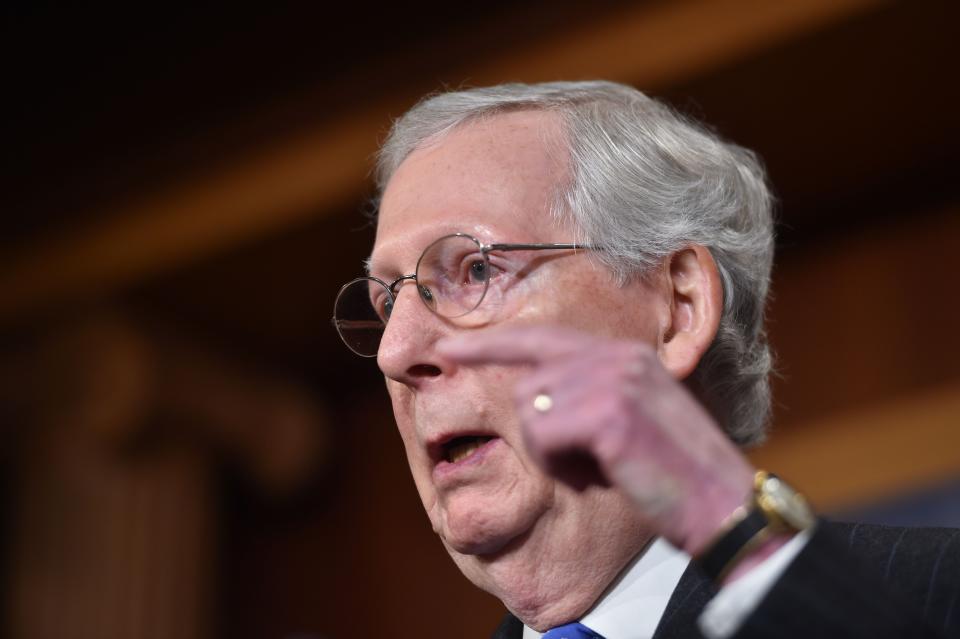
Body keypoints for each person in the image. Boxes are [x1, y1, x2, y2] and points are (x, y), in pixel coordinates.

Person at [332, 81, 959, 638]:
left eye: (474, 270)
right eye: (390, 302)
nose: (396, 353)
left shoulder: (938, 595)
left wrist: (732, 529)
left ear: (677, 308)